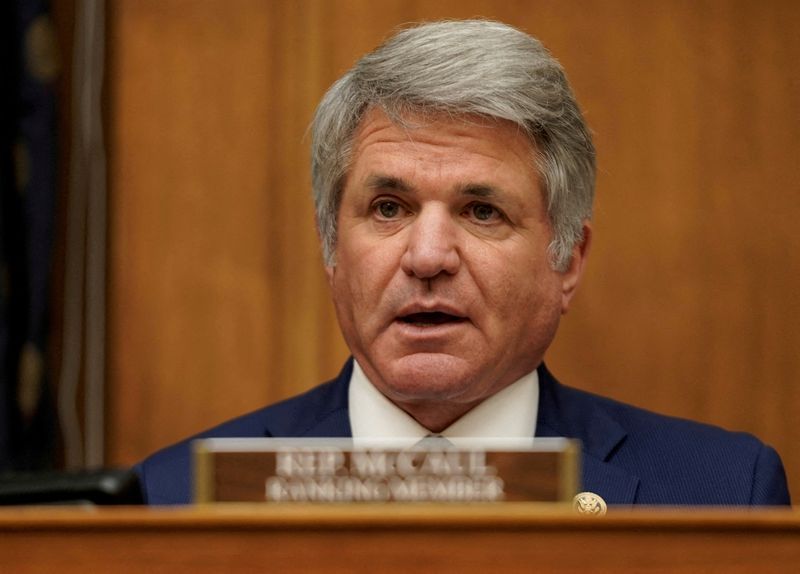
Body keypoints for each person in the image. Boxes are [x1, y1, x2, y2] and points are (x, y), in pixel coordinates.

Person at [136, 20, 790, 506]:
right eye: (388, 208)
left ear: (567, 260)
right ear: (331, 248)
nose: (427, 257)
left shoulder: (722, 493)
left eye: (482, 211)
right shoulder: (172, 499)